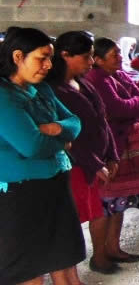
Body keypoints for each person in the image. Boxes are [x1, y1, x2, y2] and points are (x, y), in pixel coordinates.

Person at [0, 27, 85, 285]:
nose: (49, 65)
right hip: (22, 194)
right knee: (29, 270)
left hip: (55, 184)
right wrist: (63, 142)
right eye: (42, 58)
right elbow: (32, 145)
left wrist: (56, 128)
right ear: (17, 56)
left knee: (64, 259)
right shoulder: (3, 95)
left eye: (50, 58)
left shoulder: (42, 89)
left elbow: (75, 122)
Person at [48, 32, 124, 276]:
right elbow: (68, 136)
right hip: (77, 164)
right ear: (65, 55)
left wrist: (112, 154)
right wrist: (94, 163)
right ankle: (69, 273)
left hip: (98, 160)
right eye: (86, 56)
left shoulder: (83, 83)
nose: (91, 62)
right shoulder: (54, 89)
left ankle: (100, 256)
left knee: (99, 211)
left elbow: (102, 120)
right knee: (74, 219)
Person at [86, 38, 139, 261]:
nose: (120, 57)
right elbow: (116, 108)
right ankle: (99, 256)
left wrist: (132, 107)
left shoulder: (119, 74)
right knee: (105, 204)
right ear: (98, 60)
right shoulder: (96, 78)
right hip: (109, 148)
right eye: (113, 55)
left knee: (119, 202)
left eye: (119, 53)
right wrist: (133, 107)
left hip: (124, 146)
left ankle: (114, 248)